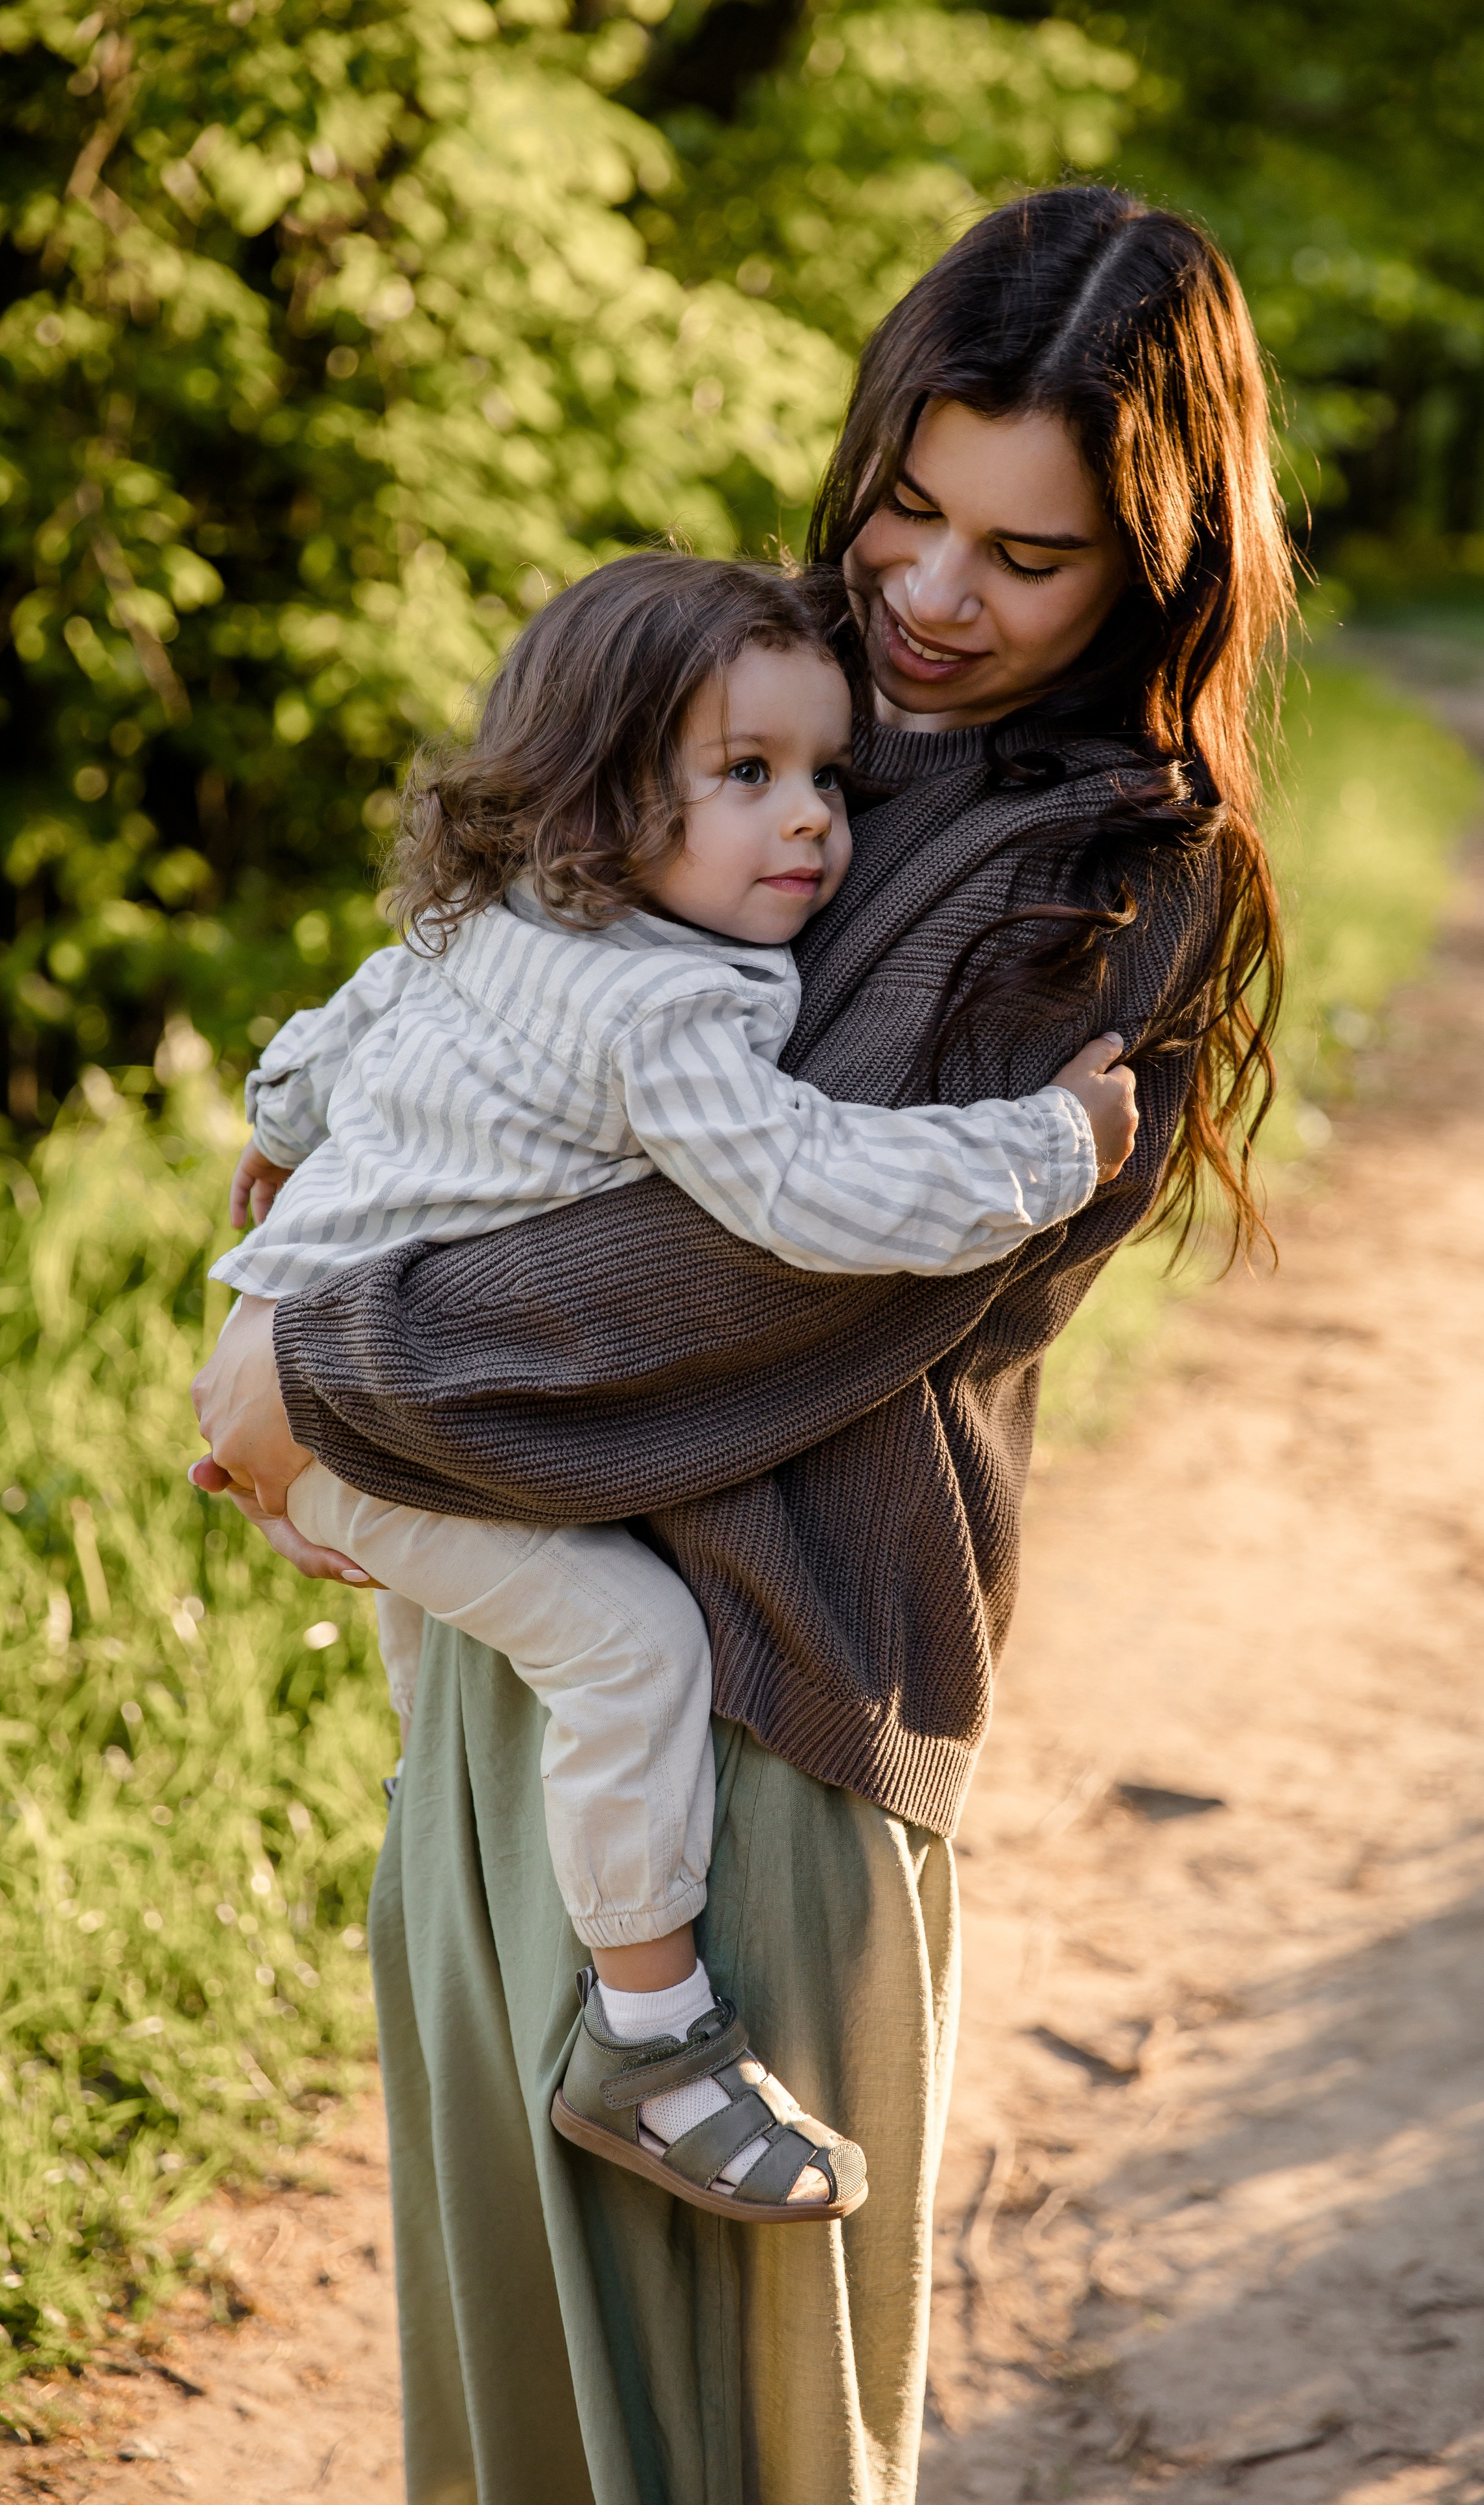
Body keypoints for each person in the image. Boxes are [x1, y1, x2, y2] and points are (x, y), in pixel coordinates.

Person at [192, 183, 1292, 2502]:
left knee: (715, 2454)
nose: (933, 594)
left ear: (1160, 570)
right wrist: (329, 1140)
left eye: (1032, 554)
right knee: (519, 2430)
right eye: (909, 506)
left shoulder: (1095, 867)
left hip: (767, 1697)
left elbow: (769, 1274)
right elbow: (497, 980)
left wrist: (321, 1371)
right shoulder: (767, 713)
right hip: (525, 1654)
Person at [204, 549, 1139, 2225]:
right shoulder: (668, 1007)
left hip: (306, 1339)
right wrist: (1050, 1146)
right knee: (632, 1641)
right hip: (360, 1390)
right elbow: (811, 1196)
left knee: (468, 1639)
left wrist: (276, 1134)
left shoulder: (499, 920)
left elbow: (350, 1019)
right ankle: (650, 2040)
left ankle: (470, 1880)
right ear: (597, 798)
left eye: (827, 778)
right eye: (746, 776)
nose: (810, 824)